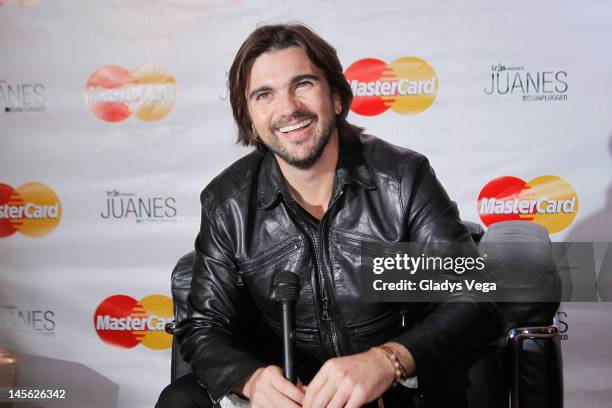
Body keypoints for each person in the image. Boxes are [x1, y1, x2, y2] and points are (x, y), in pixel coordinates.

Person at [160, 23, 502, 408]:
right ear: (250, 120)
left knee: (477, 371)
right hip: (293, 391)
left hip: (396, 386)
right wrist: (252, 380)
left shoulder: (401, 179)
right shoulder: (228, 205)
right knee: (181, 400)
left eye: (302, 83)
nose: (288, 108)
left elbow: (474, 294)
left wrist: (388, 360)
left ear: (336, 97)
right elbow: (204, 326)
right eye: (264, 95)